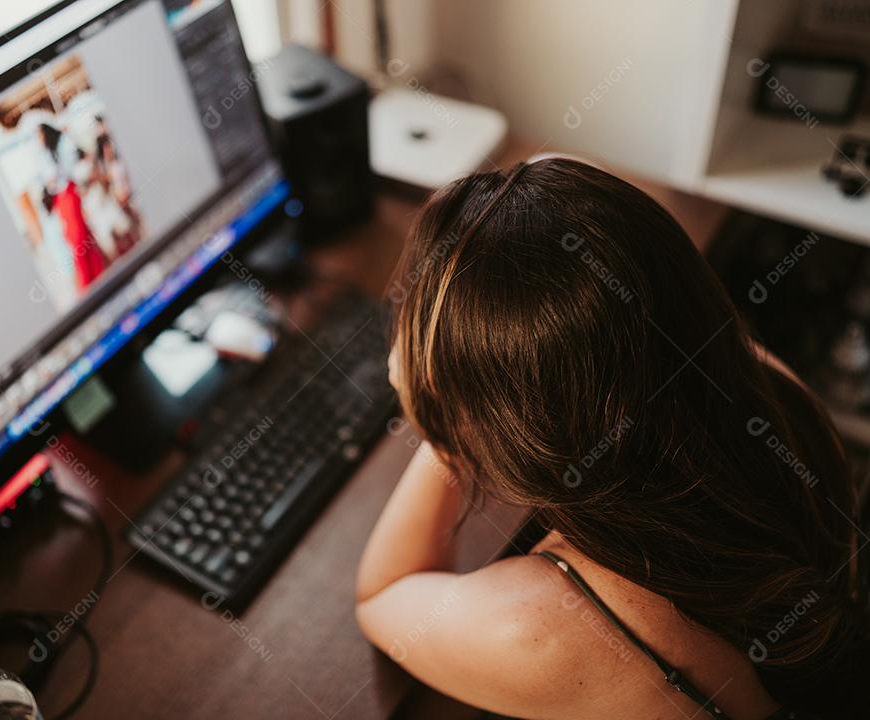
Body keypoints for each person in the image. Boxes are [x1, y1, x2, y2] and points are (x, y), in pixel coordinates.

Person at [356, 159, 869, 719]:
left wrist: (437, 417)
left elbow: (382, 595)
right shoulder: (775, 390)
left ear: (513, 431)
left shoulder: (550, 627)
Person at [36, 122, 107, 290]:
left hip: (67, 193)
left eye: (39, 135)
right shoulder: (50, 152)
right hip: (63, 196)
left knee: (77, 237)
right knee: (78, 235)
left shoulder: (59, 148)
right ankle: (94, 271)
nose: (38, 139)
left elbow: (59, 174)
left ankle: (87, 278)